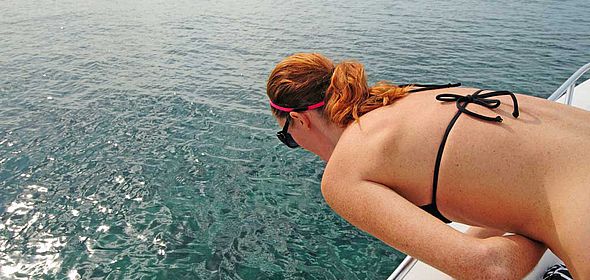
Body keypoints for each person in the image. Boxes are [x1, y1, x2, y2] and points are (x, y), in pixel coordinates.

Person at [265, 53, 590, 279]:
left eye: (288, 137)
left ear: (299, 119)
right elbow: (495, 179)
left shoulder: (342, 176)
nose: (296, 145)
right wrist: (535, 210)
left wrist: (542, 225)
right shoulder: (404, 96)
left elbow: (492, 269)